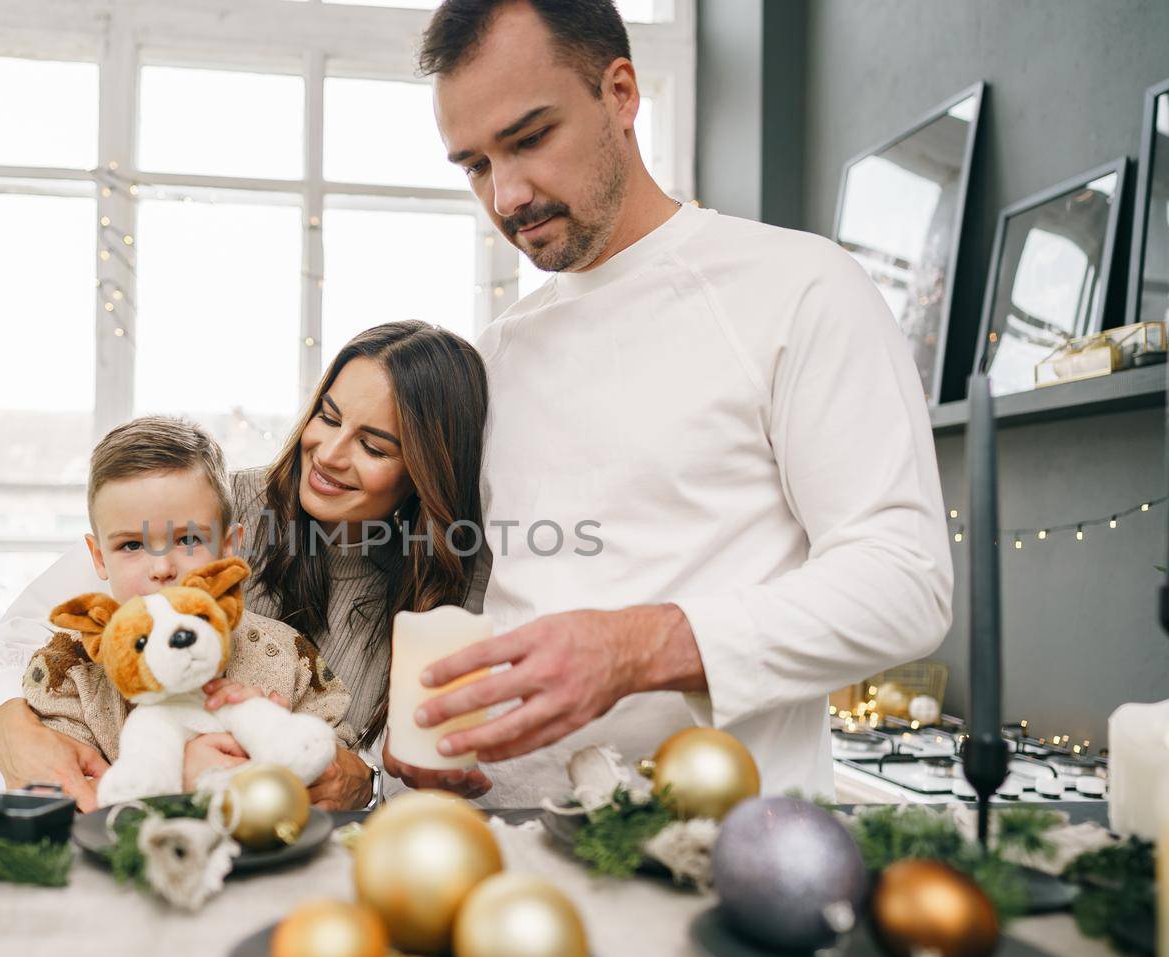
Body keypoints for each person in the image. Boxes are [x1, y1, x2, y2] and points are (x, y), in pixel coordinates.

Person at [395, 0, 952, 806]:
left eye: (528, 138)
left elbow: (905, 582)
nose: (507, 194)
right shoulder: (497, 350)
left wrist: (635, 647)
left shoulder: (799, 288)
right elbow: (492, 585)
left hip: (722, 855)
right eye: (476, 165)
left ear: (619, 93)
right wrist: (432, 715)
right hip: (505, 843)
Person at [0, 321, 491, 809]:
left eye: (374, 446)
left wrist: (366, 784)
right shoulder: (207, 512)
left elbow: (428, 769)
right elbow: (17, 643)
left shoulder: (449, 581)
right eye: (328, 415)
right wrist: (9, 722)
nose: (328, 453)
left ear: (425, 469)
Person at [16, 415, 354, 787]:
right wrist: (178, 781)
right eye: (131, 544)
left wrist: (276, 743)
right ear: (99, 558)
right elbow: (66, 790)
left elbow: (335, 766)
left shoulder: (288, 653)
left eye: (188, 540)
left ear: (228, 547)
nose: (162, 568)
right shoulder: (70, 670)